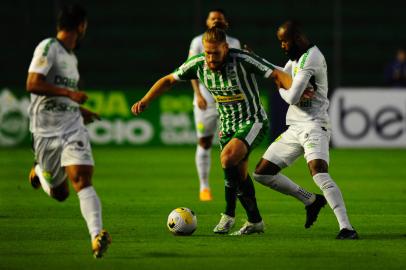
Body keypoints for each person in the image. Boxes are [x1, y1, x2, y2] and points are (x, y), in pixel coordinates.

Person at [131, 27, 296, 235]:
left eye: (215, 53)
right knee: (239, 174)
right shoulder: (198, 64)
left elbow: (277, 74)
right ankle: (255, 222)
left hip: (253, 121)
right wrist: (146, 100)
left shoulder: (242, 59)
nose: (210, 57)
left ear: (225, 48)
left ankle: (228, 215)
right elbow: (168, 80)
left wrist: (298, 92)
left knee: (227, 158)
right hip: (227, 126)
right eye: (207, 52)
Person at [253, 20, 359, 239]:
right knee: (262, 173)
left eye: (285, 41)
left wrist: (280, 85)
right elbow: (282, 72)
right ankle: (310, 200)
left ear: (298, 39)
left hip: (314, 125)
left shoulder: (312, 58)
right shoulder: (297, 58)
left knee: (319, 172)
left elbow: (291, 96)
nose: (282, 46)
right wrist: (259, 60)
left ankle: (346, 227)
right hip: (294, 127)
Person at [26, 4, 111, 257]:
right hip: (45, 130)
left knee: (82, 179)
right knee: (60, 193)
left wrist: (79, 110)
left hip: (72, 126)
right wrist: (69, 93)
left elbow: (63, 95)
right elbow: (32, 83)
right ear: (81, 26)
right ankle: (41, 172)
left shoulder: (72, 58)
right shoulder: (48, 47)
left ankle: (96, 236)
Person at [188, 9, 241, 201]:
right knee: (205, 141)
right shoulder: (197, 42)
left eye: (219, 18)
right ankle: (204, 187)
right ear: (207, 21)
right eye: (213, 18)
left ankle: (236, 186)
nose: (216, 20)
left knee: (234, 144)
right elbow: (191, 68)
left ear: (225, 22)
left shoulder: (234, 43)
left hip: (229, 101)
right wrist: (198, 94)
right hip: (206, 101)